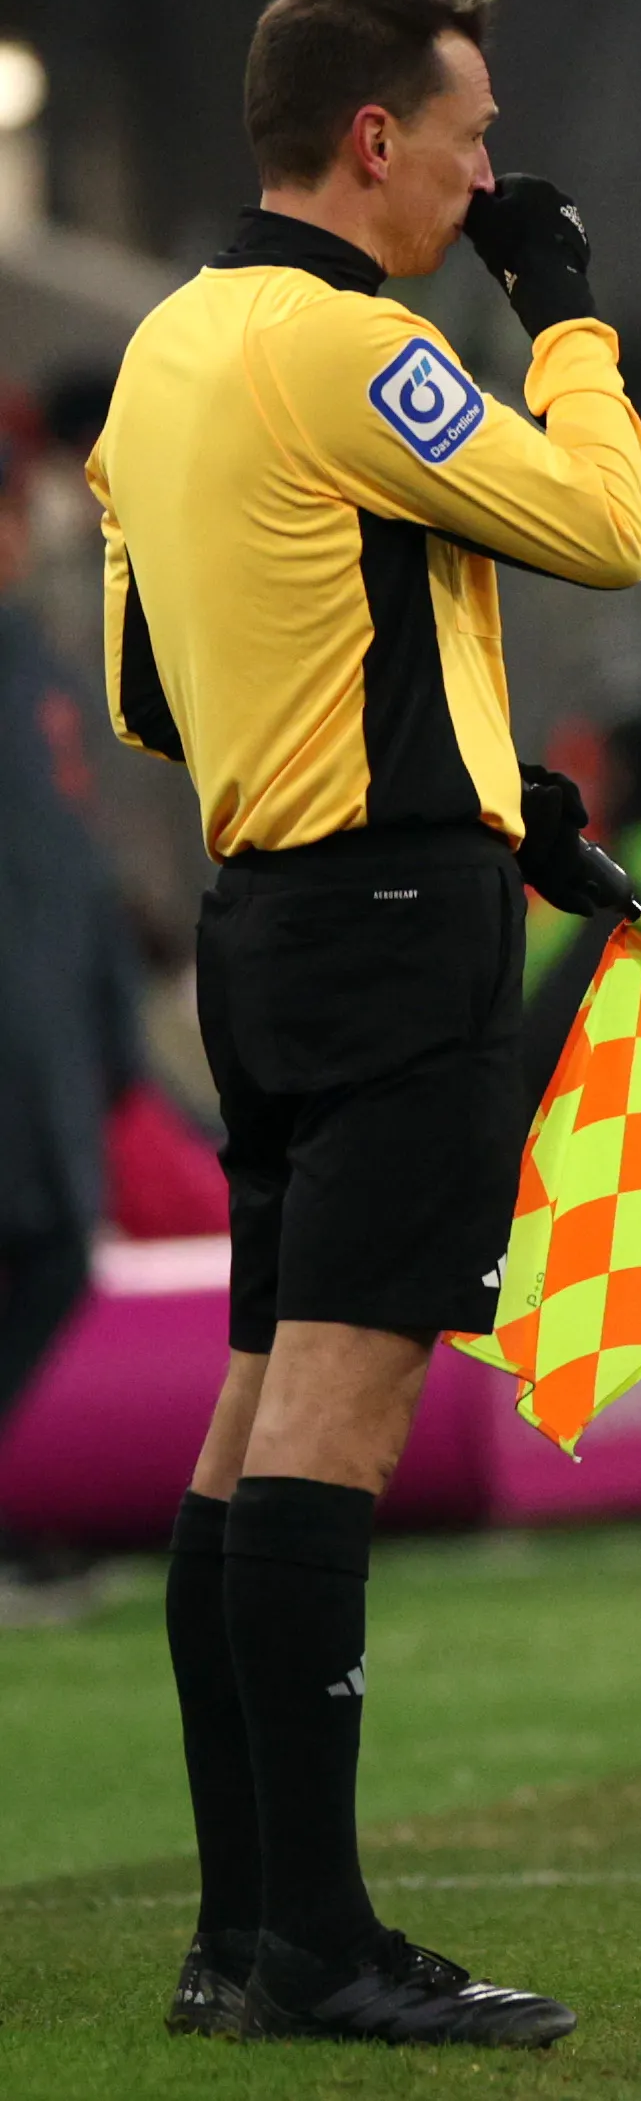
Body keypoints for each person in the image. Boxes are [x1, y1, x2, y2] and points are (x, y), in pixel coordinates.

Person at [91, 0, 641, 2043]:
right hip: (396, 930)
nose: (497, 172)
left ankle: (242, 1927)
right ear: (376, 140)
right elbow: (607, 523)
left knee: (252, 1406)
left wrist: (475, 772)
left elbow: (162, 689)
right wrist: (570, 308)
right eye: (477, 137)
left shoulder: (160, 352)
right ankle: (320, 1938)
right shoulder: (357, 340)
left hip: (265, 910)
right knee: (342, 1402)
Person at [0, 433, 144, 1622]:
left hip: (41, 1037)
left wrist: (109, 1033)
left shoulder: (37, 666)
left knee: (51, 1251)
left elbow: (73, 866)